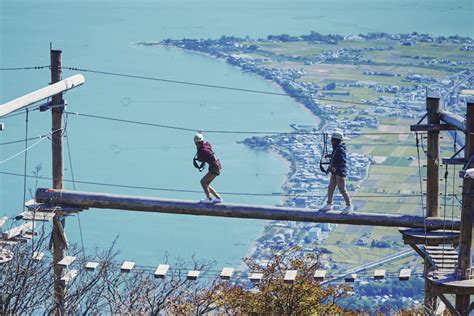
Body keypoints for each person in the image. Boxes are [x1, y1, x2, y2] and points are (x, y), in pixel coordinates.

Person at [320, 131, 353, 213]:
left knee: (342, 190)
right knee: (330, 187)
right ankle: (329, 204)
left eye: (333, 140)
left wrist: (336, 168)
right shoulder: (337, 148)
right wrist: (330, 156)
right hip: (335, 172)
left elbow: (342, 161)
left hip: (339, 173)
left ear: (336, 140)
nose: (331, 141)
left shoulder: (340, 149)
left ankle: (349, 205)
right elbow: (336, 156)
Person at [193, 132, 223, 203]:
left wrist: (198, 150)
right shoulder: (206, 145)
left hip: (214, 168)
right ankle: (218, 198)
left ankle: (209, 199)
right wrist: (200, 135)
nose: (196, 145)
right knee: (206, 184)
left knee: (203, 182)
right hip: (217, 166)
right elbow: (206, 143)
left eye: (197, 143)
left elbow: (200, 159)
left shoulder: (202, 151)